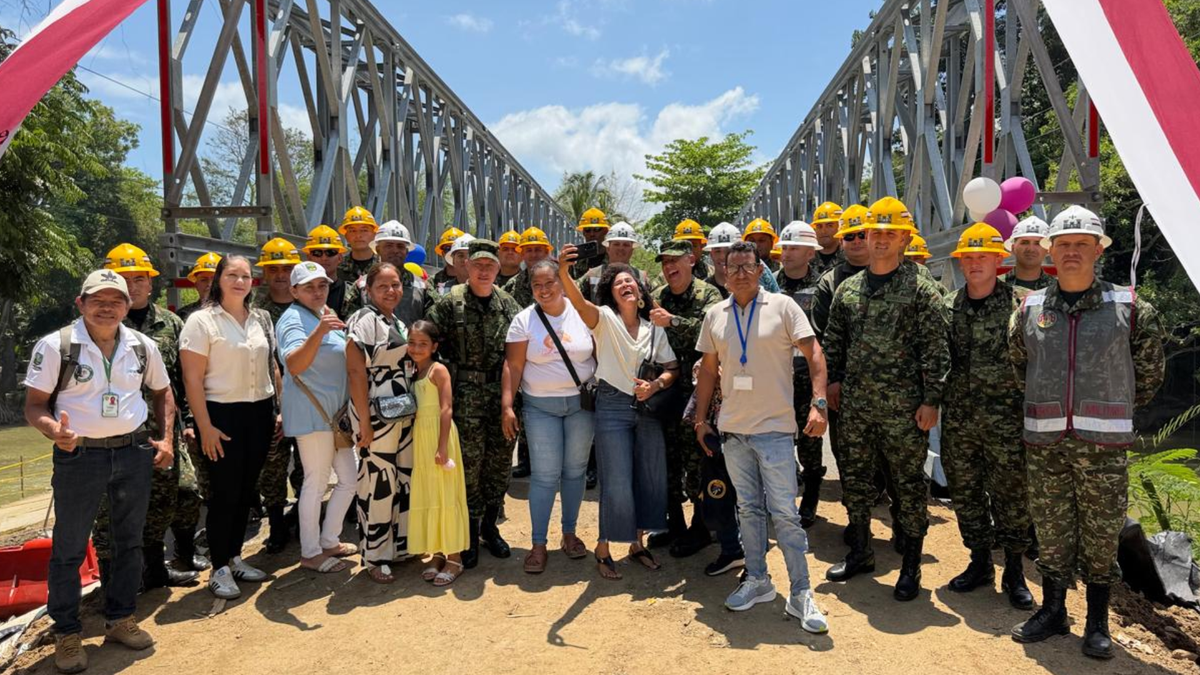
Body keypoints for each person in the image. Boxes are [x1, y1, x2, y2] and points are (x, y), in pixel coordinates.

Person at [1010, 206, 1164, 659]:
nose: (1072, 251)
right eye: (1063, 244)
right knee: (1052, 529)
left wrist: (1108, 407)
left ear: (1099, 249)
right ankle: (1054, 610)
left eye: (1081, 244)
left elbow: (1150, 374)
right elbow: (1019, 366)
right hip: (1045, 442)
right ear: (1049, 252)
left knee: (1100, 536)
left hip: (1104, 446)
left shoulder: (1130, 307)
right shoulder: (1030, 308)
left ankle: (1097, 621)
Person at [24, 270, 172, 672]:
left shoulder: (142, 346)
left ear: (128, 305)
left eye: (116, 301)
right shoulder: (57, 346)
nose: (107, 308)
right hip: (79, 457)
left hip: (132, 453)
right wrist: (54, 430)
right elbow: (35, 404)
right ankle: (67, 634)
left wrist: (166, 438)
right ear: (81, 303)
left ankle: (121, 619)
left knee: (129, 541)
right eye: (98, 300)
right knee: (69, 549)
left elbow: (162, 392)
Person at [692, 241, 829, 634]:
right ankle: (758, 579)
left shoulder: (784, 307)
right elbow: (707, 371)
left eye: (746, 266)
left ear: (759, 268)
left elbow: (814, 352)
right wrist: (702, 419)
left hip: (774, 430)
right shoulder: (715, 314)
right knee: (748, 510)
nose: (738, 273)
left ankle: (801, 591)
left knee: (784, 513)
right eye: (731, 267)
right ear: (723, 272)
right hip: (734, 431)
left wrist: (818, 403)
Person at [822, 199, 950, 602]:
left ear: (904, 238)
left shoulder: (921, 289)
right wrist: (834, 382)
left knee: (908, 487)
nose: (878, 240)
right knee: (856, 481)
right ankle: (860, 551)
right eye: (875, 232)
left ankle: (910, 566)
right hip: (857, 407)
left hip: (903, 411)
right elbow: (834, 342)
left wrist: (932, 401)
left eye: (887, 233)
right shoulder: (848, 289)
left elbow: (937, 352)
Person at [558, 243, 679, 581]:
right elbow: (579, 304)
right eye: (618, 283)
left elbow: (672, 368)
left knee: (648, 475)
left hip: (647, 405)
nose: (626, 285)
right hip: (611, 404)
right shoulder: (604, 319)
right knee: (615, 480)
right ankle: (603, 548)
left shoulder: (654, 325)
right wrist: (564, 272)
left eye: (631, 281)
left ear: (640, 290)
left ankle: (637, 543)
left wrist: (655, 386)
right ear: (611, 293)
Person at [92, 245, 201, 591]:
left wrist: (186, 422)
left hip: (160, 430)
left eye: (139, 279)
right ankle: (112, 586)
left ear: (150, 284)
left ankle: (156, 571)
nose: (133, 286)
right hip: (110, 434)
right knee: (109, 512)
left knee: (176, 495)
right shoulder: (100, 324)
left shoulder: (171, 323)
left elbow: (182, 380)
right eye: (125, 279)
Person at [940, 224, 1033, 610]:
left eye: (983, 256)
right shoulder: (947, 308)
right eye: (968, 257)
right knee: (966, 492)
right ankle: (979, 561)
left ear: (999, 260)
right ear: (961, 264)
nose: (975, 263)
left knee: (1013, 497)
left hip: (1009, 423)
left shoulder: (1025, 305)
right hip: (960, 421)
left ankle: (1014, 569)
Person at [179, 255, 277, 600]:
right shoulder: (201, 322)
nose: (240, 281)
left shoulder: (260, 319)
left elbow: (270, 367)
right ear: (219, 278)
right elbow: (191, 378)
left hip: (259, 412)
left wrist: (276, 410)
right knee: (223, 492)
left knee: (246, 490)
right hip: (222, 414)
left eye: (246, 276)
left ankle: (235, 557)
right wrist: (203, 425)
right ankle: (218, 566)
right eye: (232, 275)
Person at [426, 240, 521, 569]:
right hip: (464, 395)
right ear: (466, 267)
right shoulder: (449, 303)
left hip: (501, 394)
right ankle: (466, 533)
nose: (483, 270)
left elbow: (518, 351)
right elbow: (429, 343)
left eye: (490, 266)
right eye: (477, 265)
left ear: (497, 269)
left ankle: (489, 528)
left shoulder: (509, 303)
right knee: (468, 466)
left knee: (498, 465)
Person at [501, 260, 597, 573]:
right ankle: (538, 543)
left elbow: (599, 353)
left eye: (549, 283)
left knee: (575, 470)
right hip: (540, 405)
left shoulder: (581, 313)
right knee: (544, 475)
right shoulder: (524, 320)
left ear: (561, 282)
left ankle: (569, 534)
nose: (543, 290)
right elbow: (514, 366)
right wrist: (507, 405)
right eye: (537, 285)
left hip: (580, 405)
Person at [276, 261, 357, 574]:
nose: (317, 291)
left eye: (322, 285)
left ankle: (329, 539)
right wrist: (321, 331)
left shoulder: (322, 315)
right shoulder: (294, 320)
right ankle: (310, 552)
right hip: (314, 417)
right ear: (294, 291)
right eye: (308, 287)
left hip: (334, 417)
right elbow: (294, 364)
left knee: (349, 480)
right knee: (316, 481)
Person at [648, 240, 722, 557]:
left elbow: (713, 337)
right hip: (668, 390)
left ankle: (701, 528)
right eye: (664, 262)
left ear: (691, 261)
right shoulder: (661, 296)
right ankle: (674, 524)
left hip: (698, 392)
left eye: (675, 260)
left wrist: (674, 321)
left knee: (698, 463)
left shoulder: (709, 295)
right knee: (668, 461)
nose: (669, 267)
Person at [345, 263, 417, 583]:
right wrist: (364, 422)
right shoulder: (363, 320)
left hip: (400, 411)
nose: (391, 290)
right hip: (375, 413)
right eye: (383, 286)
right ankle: (375, 553)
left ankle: (398, 546)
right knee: (377, 482)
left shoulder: (396, 321)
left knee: (402, 478)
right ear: (368, 290)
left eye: (396, 285)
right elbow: (356, 372)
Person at [406, 320, 470, 586]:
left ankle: (454, 557)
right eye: (412, 342)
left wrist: (442, 446)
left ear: (434, 346)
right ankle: (437, 552)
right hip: (421, 436)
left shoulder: (437, 370)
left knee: (446, 493)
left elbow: (446, 408)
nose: (416, 348)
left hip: (439, 436)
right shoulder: (413, 371)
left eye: (423, 343)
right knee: (430, 493)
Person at [773, 222, 826, 528]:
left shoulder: (822, 287)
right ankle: (781, 500)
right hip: (777, 376)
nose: (787, 253)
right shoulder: (769, 284)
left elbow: (824, 335)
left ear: (809, 252)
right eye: (785, 247)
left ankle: (811, 495)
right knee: (778, 440)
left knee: (809, 441)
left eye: (793, 247)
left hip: (806, 377)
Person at [252, 238, 301, 554]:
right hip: (270, 398)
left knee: (309, 464)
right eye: (274, 269)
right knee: (273, 462)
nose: (281, 275)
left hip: (308, 396)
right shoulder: (254, 312)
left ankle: (302, 515)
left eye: (287, 268)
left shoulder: (310, 302)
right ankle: (277, 523)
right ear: (265, 274)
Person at [344, 221, 437, 325]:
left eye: (400, 246)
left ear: (407, 251)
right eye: (389, 246)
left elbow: (432, 327)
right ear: (378, 249)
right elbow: (350, 324)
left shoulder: (423, 287)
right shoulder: (361, 286)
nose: (395, 250)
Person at [578, 222, 650, 303]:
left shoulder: (642, 278)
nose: (621, 248)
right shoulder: (592, 275)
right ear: (608, 248)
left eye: (626, 245)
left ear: (632, 250)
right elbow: (572, 297)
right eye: (616, 244)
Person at [706, 222, 781, 297]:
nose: (722, 256)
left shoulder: (762, 275)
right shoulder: (704, 289)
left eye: (728, 251)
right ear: (711, 254)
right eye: (717, 251)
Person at [301, 224, 349, 318]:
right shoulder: (298, 292)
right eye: (317, 253)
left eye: (330, 252)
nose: (324, 258)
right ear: (309, 258)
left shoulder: (350, 292)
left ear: (340, 258)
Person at [503, 226, 554, 309]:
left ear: (547, 252)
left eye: (538, 250)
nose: (533, 255)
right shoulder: (512, 285)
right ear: (522, 254)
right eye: (529, 250)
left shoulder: (561, 281)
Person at [1002, 216, 1055, 291]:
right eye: (1024, 242)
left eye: (1038, 243)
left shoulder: (1059, 288)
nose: (1031, 249)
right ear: (1013, 248)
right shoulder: (992, 286)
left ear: (1047, 250)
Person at [337, 206, 380, 285]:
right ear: (345, 235)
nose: (358, 235)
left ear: (374, 234)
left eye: (364, 230)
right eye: (352, 230)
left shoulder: (384, 266)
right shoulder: (336, 268)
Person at [176, 252, 221, 322]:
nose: (209, 284)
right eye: (203, 280)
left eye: (214, 280)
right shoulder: (182, 315)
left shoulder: (237, 313)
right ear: (196, 284)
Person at [571, 207, 610, 279]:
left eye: (597, 229)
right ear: (583, 232)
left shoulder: (614, 257)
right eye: (587, 230)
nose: (592, 234)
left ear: (605, 231)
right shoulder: (576, 260)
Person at [809, 202, 845, 278]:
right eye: (819, 226)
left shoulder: (850, 258)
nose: (823, 231)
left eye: (830, 225)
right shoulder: (805, 259)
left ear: (840, 227)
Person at [431, 226, 465, 294]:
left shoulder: (474, 280)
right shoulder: (432, 282)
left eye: (455, 249)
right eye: (448, 248)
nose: (451, 253)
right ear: (442, 253)